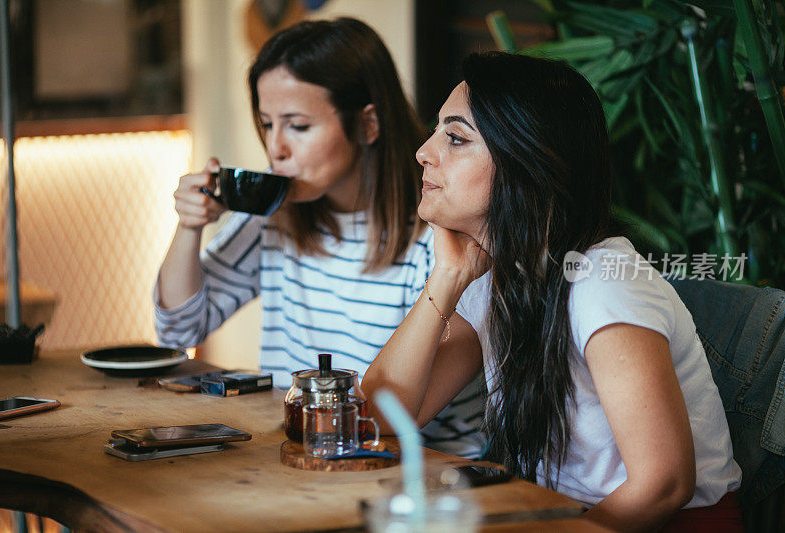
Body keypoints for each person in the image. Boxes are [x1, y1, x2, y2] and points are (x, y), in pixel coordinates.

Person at [361, 51, 743, 531]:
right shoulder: (498, 272)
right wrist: (447, 279)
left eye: (455, 138)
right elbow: (378, 419)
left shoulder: (602, 281)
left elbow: (663, 483)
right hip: (552, 513)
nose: (423, 151)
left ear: (527, 163)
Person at [153, 18, 485, 458]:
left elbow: (385, 420)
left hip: (420, 471)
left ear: (368, 124)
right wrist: (188, 227)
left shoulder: (440, 235)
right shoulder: (275, 214)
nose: (276, 148)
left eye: (298, 126)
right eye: (267, 124)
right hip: (305, 453)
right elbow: (178, 328)